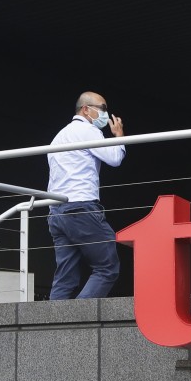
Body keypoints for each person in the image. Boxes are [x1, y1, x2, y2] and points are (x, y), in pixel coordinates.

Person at [46, 91, 126, 299]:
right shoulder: (88, 131)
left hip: (56, 211)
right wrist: (118, 136)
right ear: (85, 109)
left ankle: (49, 328)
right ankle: (81, 317)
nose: (106, 115)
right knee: (107, 267)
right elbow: (115, 158)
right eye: (102, 108)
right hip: (80, 206)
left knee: (65, 277)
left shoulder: (59, 136)